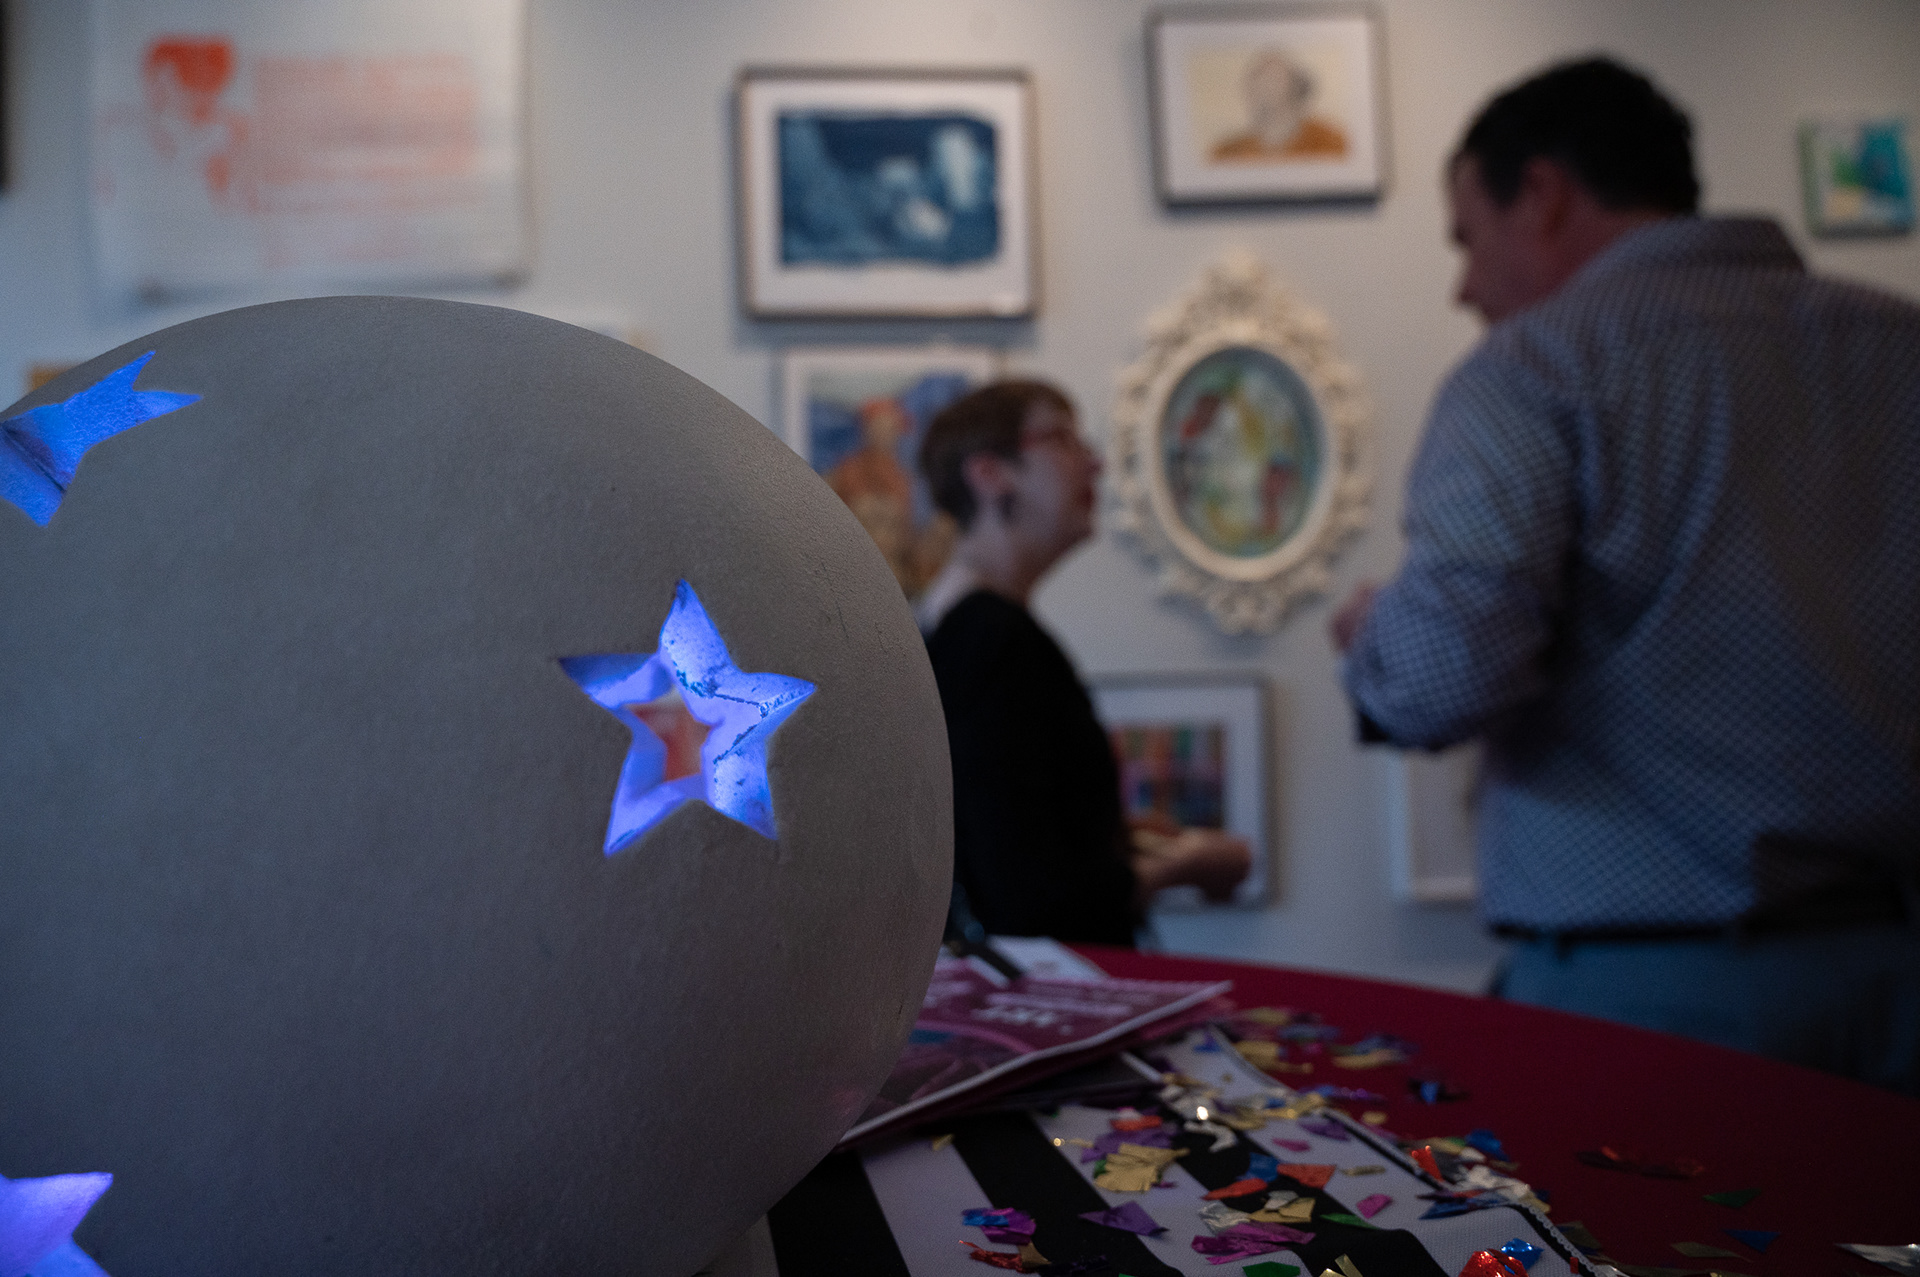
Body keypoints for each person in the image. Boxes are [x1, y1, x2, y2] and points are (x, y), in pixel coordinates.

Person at [1332, 57, 1920, 1093]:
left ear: (1543, 193)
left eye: (1466, 239)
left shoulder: (1536, 369)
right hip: (1896, 972)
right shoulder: (1897, 345)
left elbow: (1437, 681)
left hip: (1647, 1000)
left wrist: (1371, 636)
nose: (1464, 286)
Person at [917, 380, 1252, 944]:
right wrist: (1187, 865)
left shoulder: (963, 632)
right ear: (990, 473)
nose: (1095, 464)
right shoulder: (993, 641)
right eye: (1062, 439)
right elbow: (1032, 898)